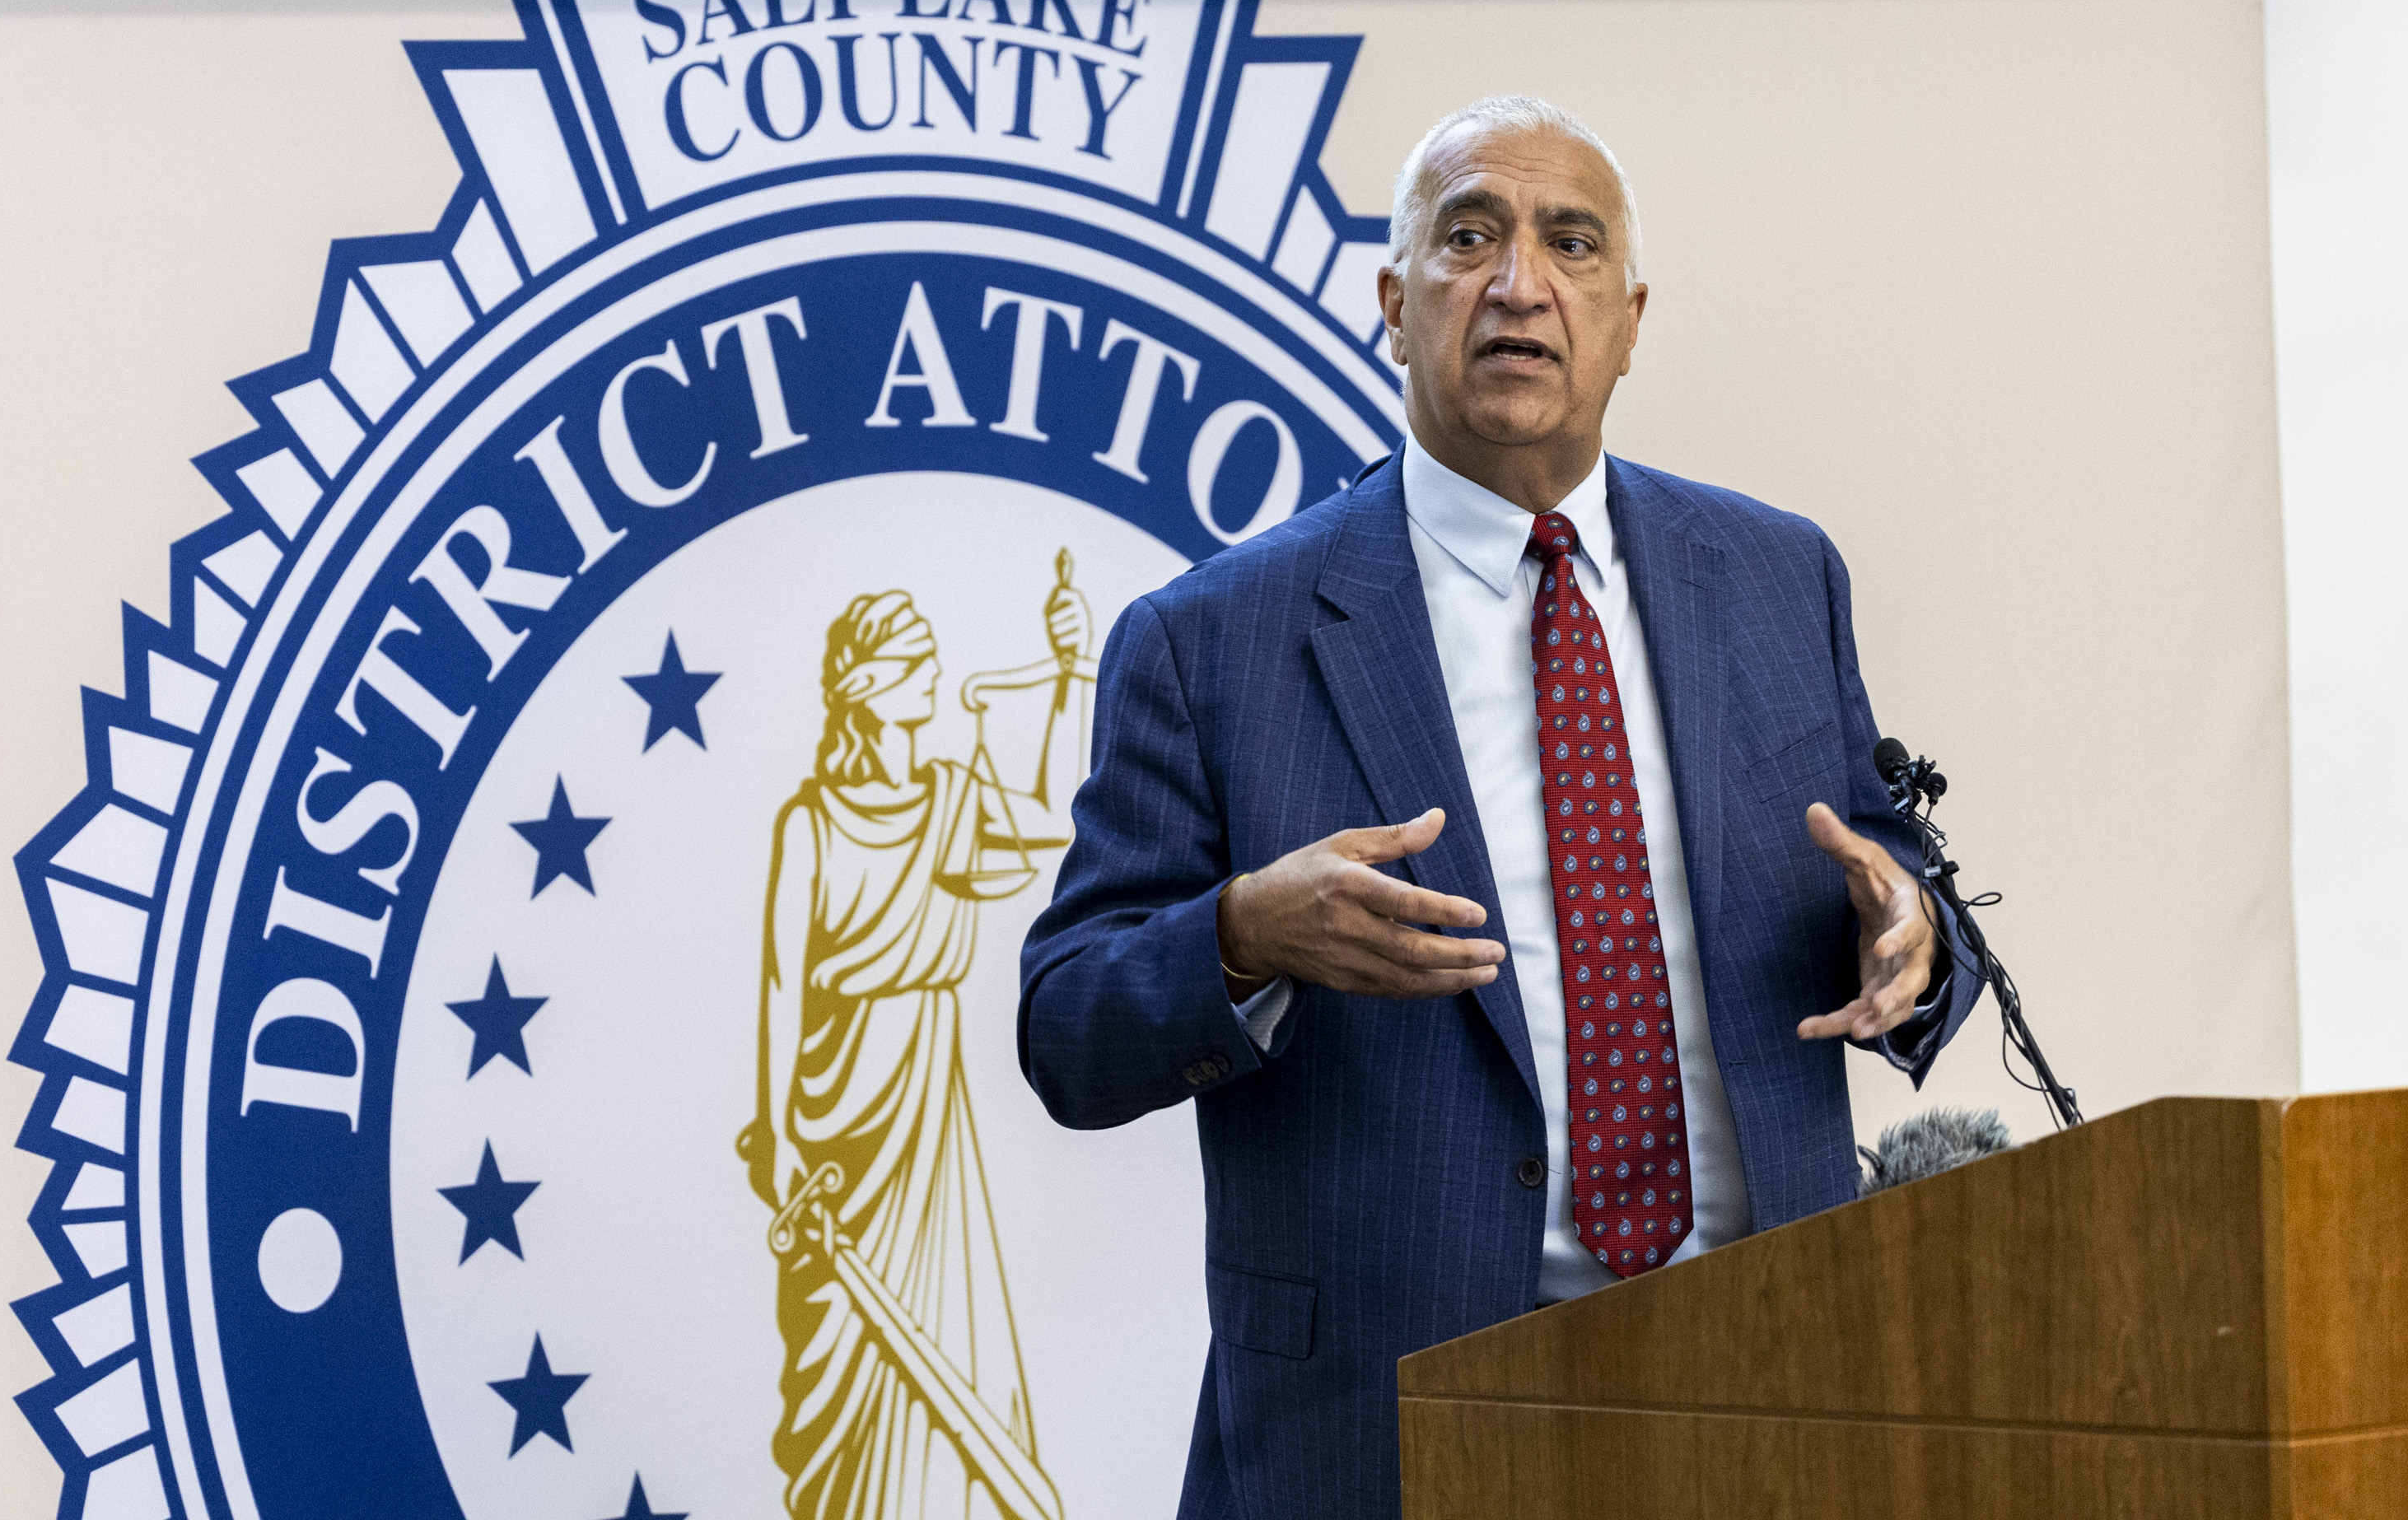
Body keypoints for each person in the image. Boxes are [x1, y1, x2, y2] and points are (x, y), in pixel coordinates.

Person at [1016, 96, 1984, 1520]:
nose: (1520, 283)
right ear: (1394, 305)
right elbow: (1068, 1031)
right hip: (1389, 1426)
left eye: (1570, 244)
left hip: (1769, 1389)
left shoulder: (1781, 578)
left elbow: (1885, 869)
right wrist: (1242, 934)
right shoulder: (1213, 639)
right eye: (1469, 238)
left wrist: (1912, 939)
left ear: (1630, 321)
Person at [743, 583, 1090, 1520]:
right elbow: (781, 986)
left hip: (927, 1108)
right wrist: (778, 1134)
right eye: (913, 658)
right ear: (868, 685)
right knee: (840, 1349)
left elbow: (1055, 816)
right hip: (836, 1115)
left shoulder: (949, 798)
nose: (934, 670)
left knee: (943, 1318)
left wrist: (1067, 676)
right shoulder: (811, 824)